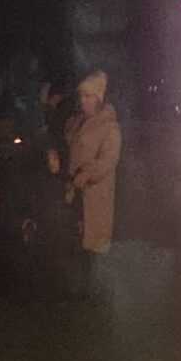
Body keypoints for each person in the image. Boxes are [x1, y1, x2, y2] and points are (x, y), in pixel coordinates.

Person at [64, 70, 122, 288]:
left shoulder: (109, 127)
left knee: (94, 241)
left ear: (97, 98)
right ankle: (74, 286)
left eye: (88, 96)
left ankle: (96, 288)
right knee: (74, 236)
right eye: (81, 96)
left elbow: (109, 159)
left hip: (95, 193)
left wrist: (87, 173)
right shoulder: (75, 123)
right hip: (73, 191)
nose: (83, 101)